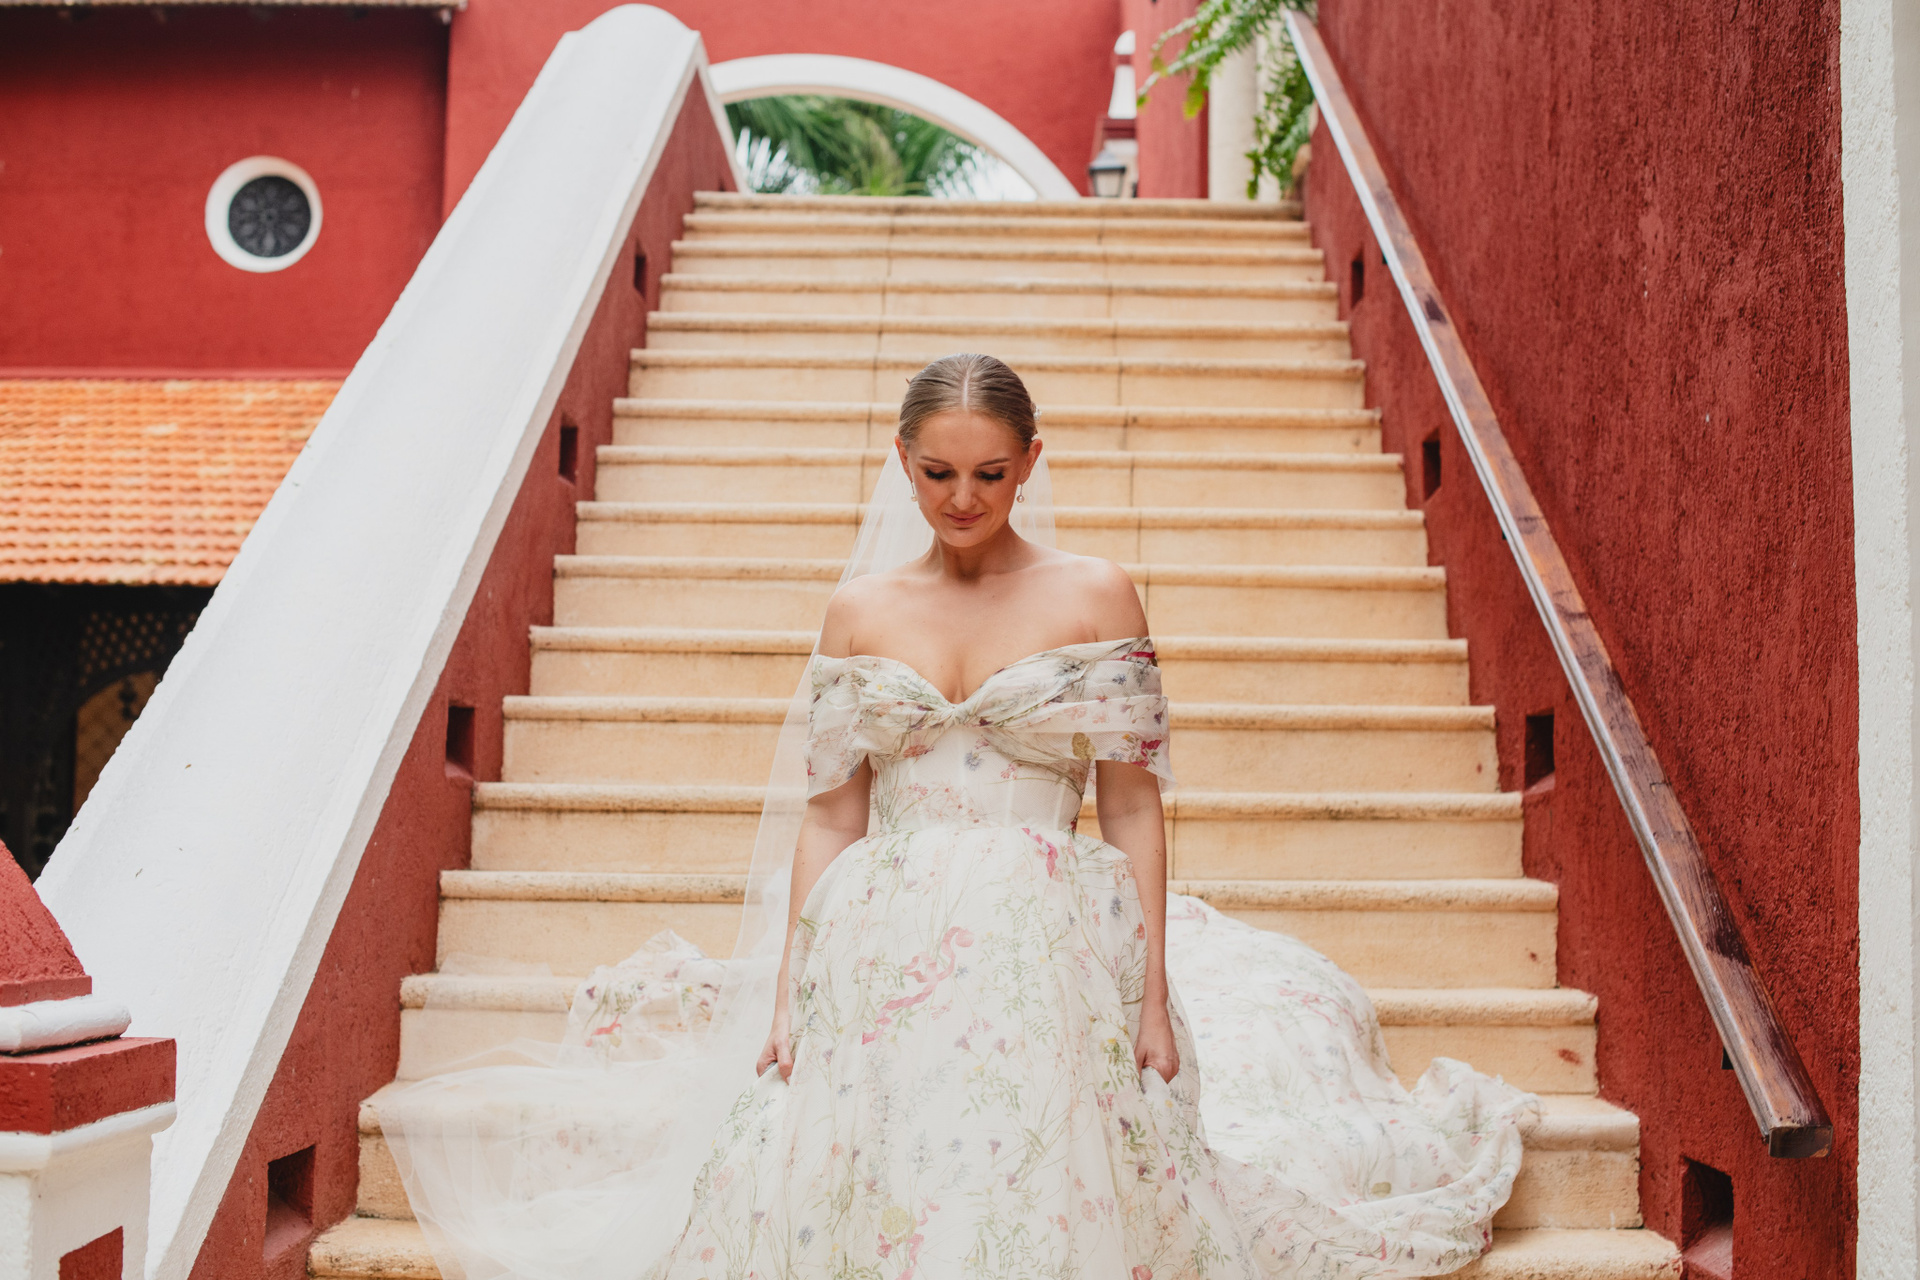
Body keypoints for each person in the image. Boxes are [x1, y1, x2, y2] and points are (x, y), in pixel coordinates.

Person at [384, 354, 1537, 1280]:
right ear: (903, 462)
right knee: (875, 1163)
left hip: (1045, 932)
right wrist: (789, 988)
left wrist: (1150, 995)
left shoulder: (1095, 592)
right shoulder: (859, 609)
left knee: (1036, 1160)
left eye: (990, 472)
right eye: (938, 473)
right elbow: (831, 815)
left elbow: (1131, 806)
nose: (964, 498)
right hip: (883, 928)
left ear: (1032, 459)